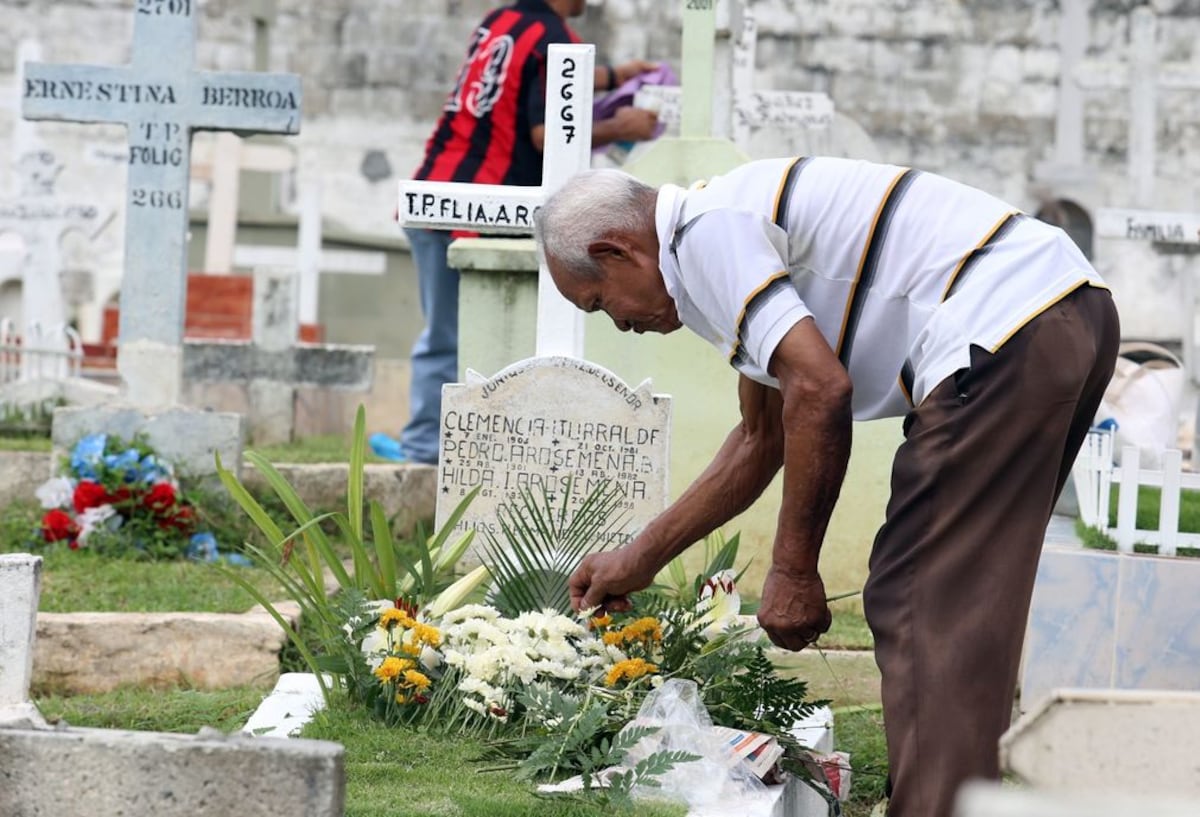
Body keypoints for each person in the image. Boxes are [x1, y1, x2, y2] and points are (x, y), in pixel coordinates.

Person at [533, 158, 1120, 817]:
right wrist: (637, 558)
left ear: (616, 251)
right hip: (1067, 308)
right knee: (965, 597)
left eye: (600, 303)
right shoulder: (723, 228)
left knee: (918, 594)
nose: (620, 323)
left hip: (1006, 324)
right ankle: (946, 796)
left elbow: (819, 389)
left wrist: (793, 570)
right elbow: (761, 437)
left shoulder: (706, 235)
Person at [377, 0, 659, 464]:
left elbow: (538, 77)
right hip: (478, 210)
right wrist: (619, 127)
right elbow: (547, 134)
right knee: (459, 337)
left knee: (442, 334)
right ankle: (428, 451)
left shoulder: (502, 22)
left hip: (437, 191)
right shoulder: (552, 35)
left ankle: (434, 444)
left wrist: (615, 76)